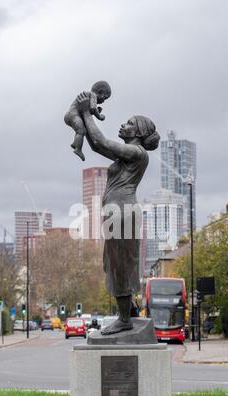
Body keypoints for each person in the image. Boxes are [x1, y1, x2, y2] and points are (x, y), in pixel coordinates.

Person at [76, 91, 160, 335]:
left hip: (121, 213)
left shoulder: (136, 153)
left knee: (120, 264)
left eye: (129, 123)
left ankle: (124, 319)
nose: (123, 125)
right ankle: (129, 311)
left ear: (139, 133)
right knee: (113, 263)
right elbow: (94, 144)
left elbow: (101, 142)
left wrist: (85, 112)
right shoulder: (126, 155)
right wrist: (84, 113)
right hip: (117, 212)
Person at [64, 81, 111, 161]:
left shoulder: (87, 95)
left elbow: (87, 109)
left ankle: (76, 143)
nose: (103, 101)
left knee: (82, 130)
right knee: (81, 131)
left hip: (70, 115)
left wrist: (95, 111)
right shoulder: (92, 95)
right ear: (100, 91)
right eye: (104, 98)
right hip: (73, 115)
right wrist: (99, 116)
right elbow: (93, 108)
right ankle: (78, 149)